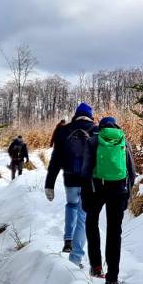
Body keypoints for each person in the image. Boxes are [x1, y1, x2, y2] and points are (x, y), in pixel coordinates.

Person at [83, 115, 136, 284]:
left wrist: (86, 196)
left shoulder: (92, 141)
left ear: (101, 128)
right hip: (119, 191)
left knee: (91, 222)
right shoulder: (123, 140)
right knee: (114, 232)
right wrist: (127, 193)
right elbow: (132, 172)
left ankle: (96, 266)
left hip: (97, 190)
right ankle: (111, 280)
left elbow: (85, 171)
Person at [44, 103, 95, 265]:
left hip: (70, 179)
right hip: (89, 181)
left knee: (71, 205)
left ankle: (68, 239)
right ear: (90, 115)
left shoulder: (64, 130)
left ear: (76, 114)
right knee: (83, 217)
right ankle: (75, 258)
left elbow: (55, 160)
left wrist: (49, 184)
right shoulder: (96, 129)